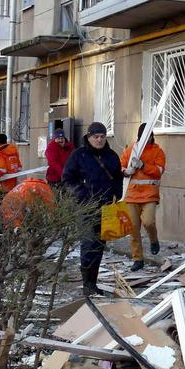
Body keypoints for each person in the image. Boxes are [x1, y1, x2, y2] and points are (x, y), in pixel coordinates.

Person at [62, 122, 123, 296]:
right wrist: (81, 194)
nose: (99, 140)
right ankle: (87, 283)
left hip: (106, 208)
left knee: (99, 246)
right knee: (89, 243)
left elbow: (118, 178)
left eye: (102, 136)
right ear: (89, 137)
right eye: (96, 137)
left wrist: (116, 196)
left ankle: (93, 283)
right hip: (86, 207)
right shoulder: (78, 155)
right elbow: (67, 179)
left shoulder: (112, 156)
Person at [120, 123, 166, 271]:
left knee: (148, 222)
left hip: (149, 195)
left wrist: (142, 165)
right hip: (131, 195)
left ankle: (154, 240)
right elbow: (121, 166)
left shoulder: (157, 151)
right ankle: (137, 259)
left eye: (149, 135)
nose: (147, 138)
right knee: (133, 229)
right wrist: (126, 171)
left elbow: (159, 171)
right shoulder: (131, 149)